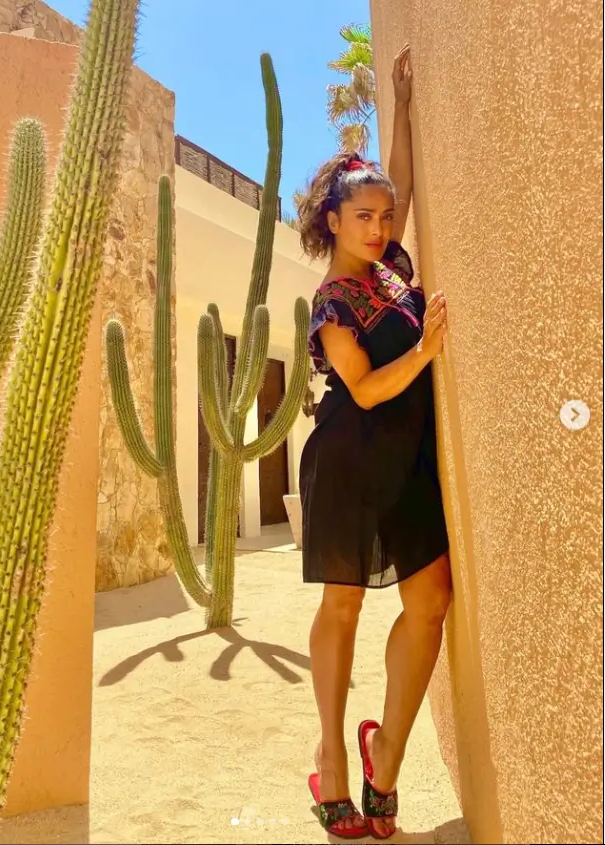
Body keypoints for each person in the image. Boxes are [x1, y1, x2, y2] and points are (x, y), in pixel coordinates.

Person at [296, 44, 453, 840]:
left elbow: (400, 176)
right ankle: (330, 751)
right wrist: (425, 353)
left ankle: (382, 754)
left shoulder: (390, 265)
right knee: (346, 603)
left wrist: (403, 103)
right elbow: (360, 389)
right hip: (351, 457)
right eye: (363, 215)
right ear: (334, 220)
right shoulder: (335, 297)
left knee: (431, 600)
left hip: (410, 454)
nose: (381, 225)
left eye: (385, 216)